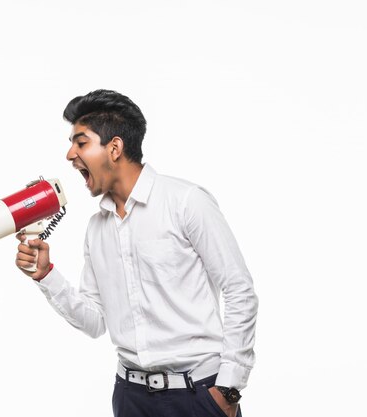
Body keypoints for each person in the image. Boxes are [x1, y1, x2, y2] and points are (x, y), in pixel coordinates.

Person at [15, 89, 258, 417]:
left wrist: (229, 388)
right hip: (130, 398)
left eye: (81, 142)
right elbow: (95, 322)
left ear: (114, 148)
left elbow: (238, 288)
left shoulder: (186, 202)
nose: (70, 154)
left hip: (198, 395)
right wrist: (46, 275)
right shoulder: (97, 229)